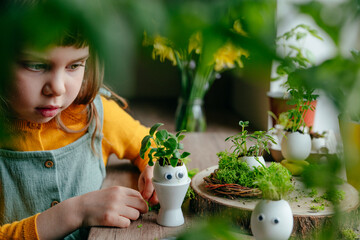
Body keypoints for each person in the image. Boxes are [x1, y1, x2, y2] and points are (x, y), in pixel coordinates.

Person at [0, 1, 158, 239]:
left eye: (74, 65)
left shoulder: (94, 113)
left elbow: (149, 142)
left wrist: (155, 166)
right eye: (36, 65)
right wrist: (75, 212)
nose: (57, 87)